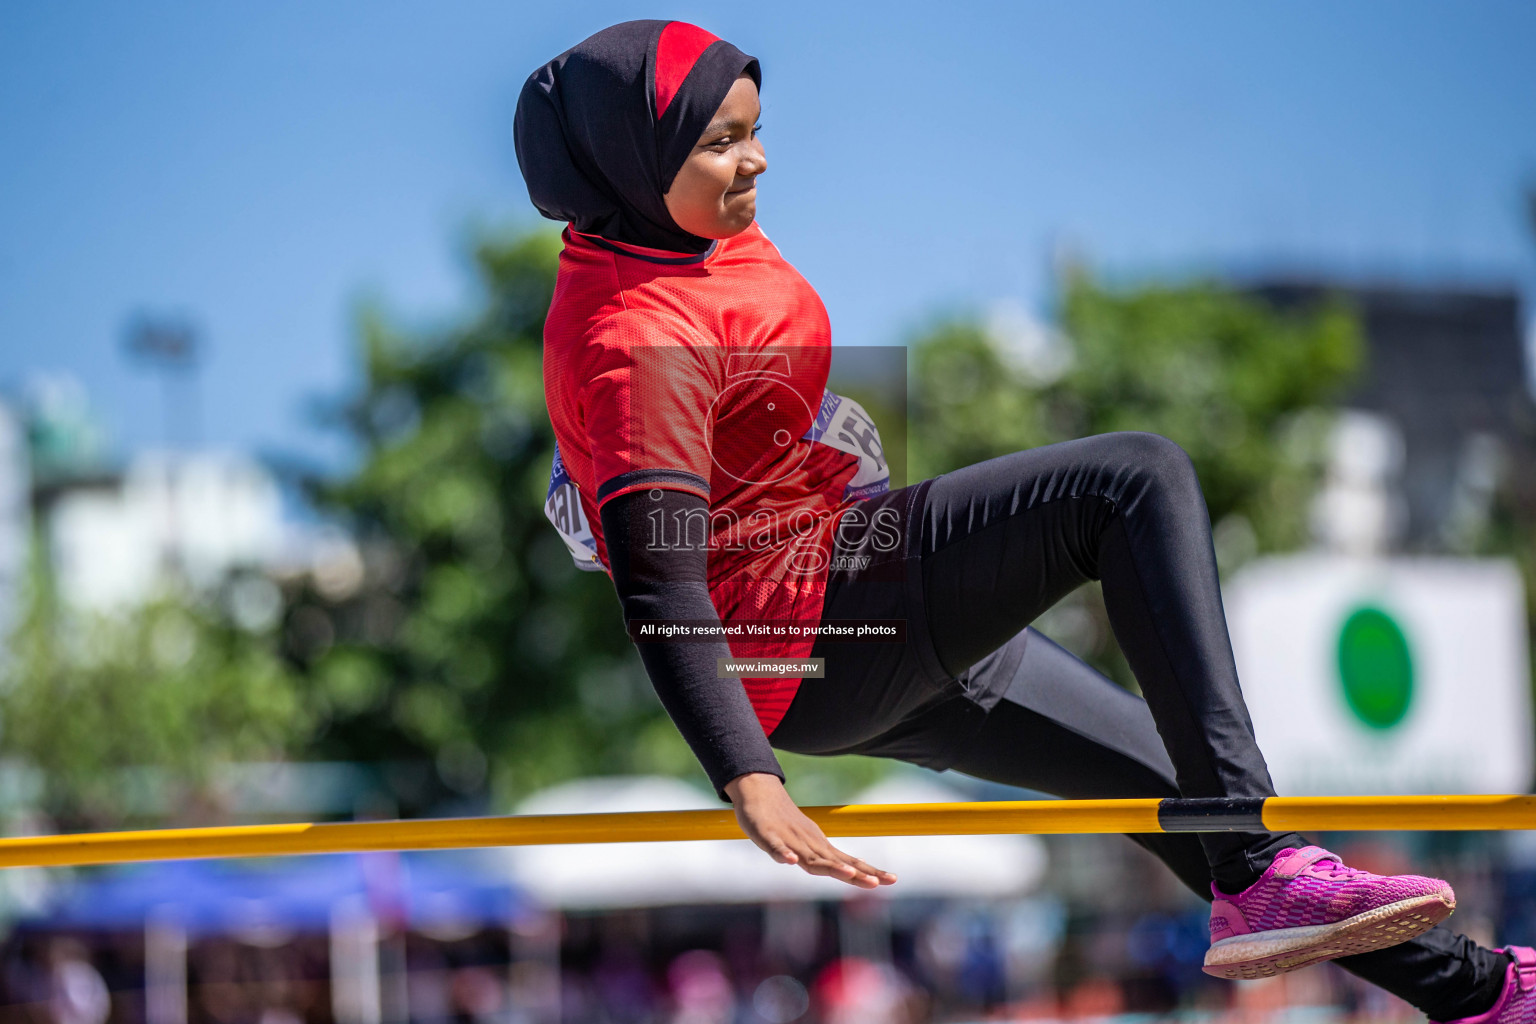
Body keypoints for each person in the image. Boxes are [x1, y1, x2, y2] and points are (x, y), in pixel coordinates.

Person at [514, 19, 1535, 1020]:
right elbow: (661, 582)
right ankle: (1268, 872)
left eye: (756, 127)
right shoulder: (627, 333)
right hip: (814, 627)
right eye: (722, 142)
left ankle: (1480, 995)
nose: (759, 160)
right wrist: (748, 777)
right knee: (1133, 480)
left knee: (1180, 793)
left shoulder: (686, 236)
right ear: (634, 164)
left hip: (849, 606)